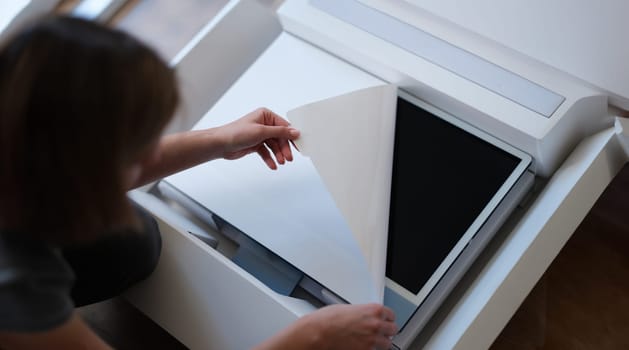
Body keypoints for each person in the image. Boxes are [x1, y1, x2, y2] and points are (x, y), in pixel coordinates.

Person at [0, 15, 397, 350]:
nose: (145, 158)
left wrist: (221, 140)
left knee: (131, 241)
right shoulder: (15, 288)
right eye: (134, 151)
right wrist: (309, 337)